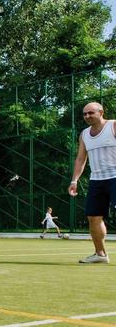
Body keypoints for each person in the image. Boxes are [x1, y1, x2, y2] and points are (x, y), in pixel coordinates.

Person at [69, 101, 116, 263]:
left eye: (91, 113)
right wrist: (74, 181)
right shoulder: (84, 134)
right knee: (93, 217)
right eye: (85, 114)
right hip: (96, 180)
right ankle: (100, 254)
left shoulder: (113, 126)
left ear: (101, 113)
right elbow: (80, 159)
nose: (87, 116)